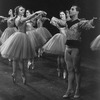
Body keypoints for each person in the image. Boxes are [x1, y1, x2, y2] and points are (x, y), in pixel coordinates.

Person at [0, 5, 44, 84]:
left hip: (19, 37)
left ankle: (15, 74)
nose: (23, 11)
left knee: (16, 59)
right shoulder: (19, 18)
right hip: (21, 37)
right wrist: (36, 13)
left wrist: (37, 16)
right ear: (17, 12)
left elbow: (28, 20)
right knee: (19, 59)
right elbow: (27, 18)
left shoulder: (18, 18)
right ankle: (21, 74)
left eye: (23, 9)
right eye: (21, 10)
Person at [63, 5, 95, 98]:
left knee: (77, 70)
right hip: (67, 48)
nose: (70, 10)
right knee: (69, 70)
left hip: (75, 49)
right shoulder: (68, 22)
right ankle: (69, 90)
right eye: (70, 9)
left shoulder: (80, 22)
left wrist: (94, 20)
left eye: (72, 9)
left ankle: (77, 89)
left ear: (77, 12)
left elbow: (89, 23)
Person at [43, 11, 67, 78]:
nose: (61, 15)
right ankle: (61, 70)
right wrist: (56, 24)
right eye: (60, 14)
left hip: (65, 37)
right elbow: (52, 21)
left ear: (65, 14)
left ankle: (61, 70)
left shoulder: (65, 21)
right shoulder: (61, 21)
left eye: (63, 14)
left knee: (62, 57)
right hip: (61, 38)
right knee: (60, 56)